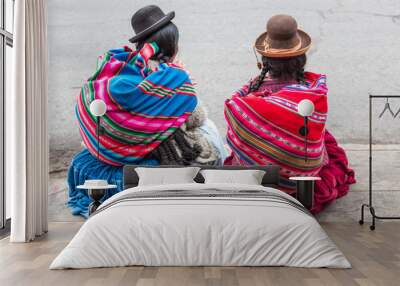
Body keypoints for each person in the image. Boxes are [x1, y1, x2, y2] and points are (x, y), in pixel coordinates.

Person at [68, 5, 227, 217]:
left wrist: (177, 84)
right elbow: (195, 118)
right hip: (147, 151)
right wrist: (182, 84)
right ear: (173, 47)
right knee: (211, 133)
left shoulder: (119, 67)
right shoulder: (173, 77)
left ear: (141, 43)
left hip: (109, 147)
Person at [224, 14, 355, 213]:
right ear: (301, 58)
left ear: (265, 59)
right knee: (319, 135)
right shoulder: (314, 92)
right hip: (303, 180)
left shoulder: (247, 98)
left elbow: (234, 109)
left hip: (260, 176)